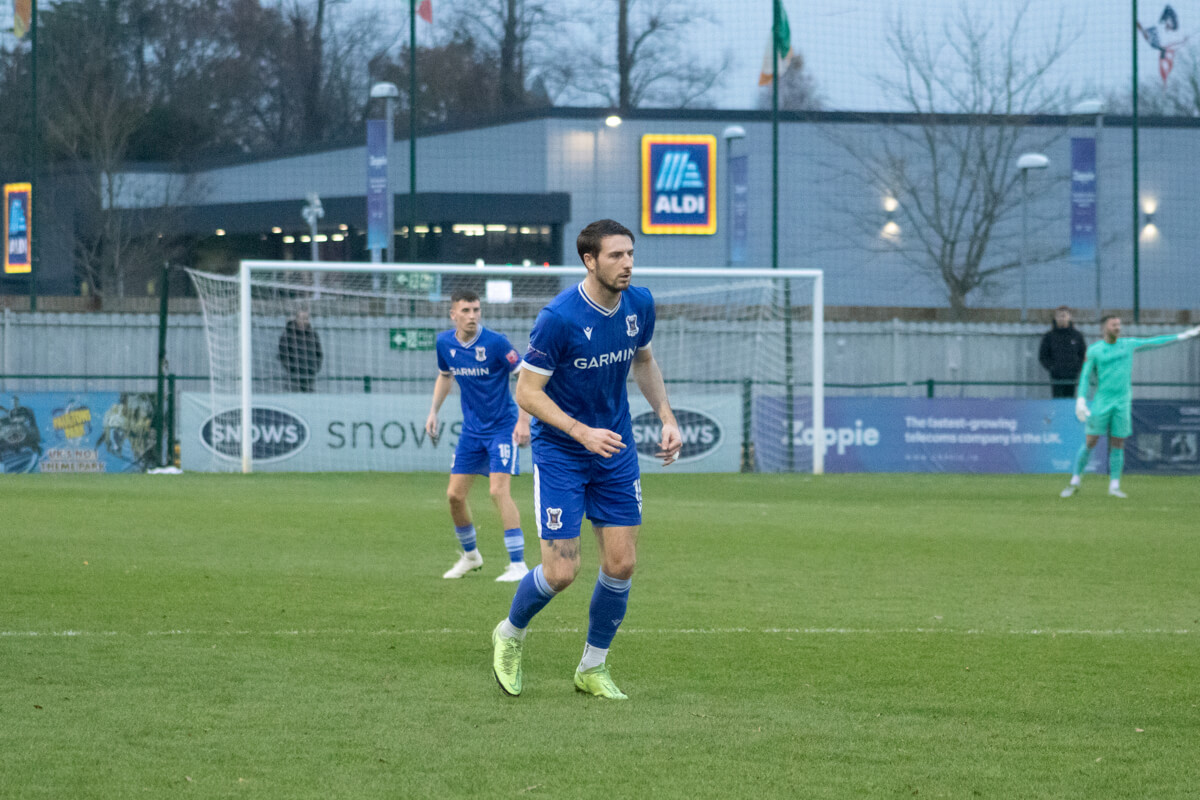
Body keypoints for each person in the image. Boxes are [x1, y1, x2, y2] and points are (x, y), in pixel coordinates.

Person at [490, 219, 682, 701]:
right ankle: (510, 634)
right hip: (561, 452)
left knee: (621, 564)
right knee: (561, 573)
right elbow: (527, 391)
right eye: (616, 256)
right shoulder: (559, 318)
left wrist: (666, 416)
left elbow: (643, 360)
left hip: (612, 450)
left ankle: (592, 667)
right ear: (589, 260)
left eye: (631, 254)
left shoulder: (640, 304)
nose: (628, 264)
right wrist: (579, 431)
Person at [426, 290, 532, 582]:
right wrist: (433, 411)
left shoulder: (496, 343)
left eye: (476, 310)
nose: (472, 315)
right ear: (453, 315)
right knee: (454, 496)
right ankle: (471, 556)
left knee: (498, 491)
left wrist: (524, 421)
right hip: (472, 431)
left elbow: (525, 377)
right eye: (466, 310)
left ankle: (518, 564)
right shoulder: (444, 343)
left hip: (503, 427)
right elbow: (445, 376)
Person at [1061, 315, 1200, 498]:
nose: (1118, 327)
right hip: (1102, 401)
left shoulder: (1128, 344)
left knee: (1118, 442)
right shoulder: (1095, 350)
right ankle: (1075, 482)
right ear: (1105, 328)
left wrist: (1182, 336)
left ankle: (1114, 486)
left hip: (1122, 402)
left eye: (1119, 324)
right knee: (1090, 441)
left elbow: (1154, 342)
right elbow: (1086, 376)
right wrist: (1080, 399)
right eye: (1114, 325)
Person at [1038, 306, 1087, 398]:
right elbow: (1043, 356)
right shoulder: (1049, 336)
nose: (1062, 318)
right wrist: (1052, 368)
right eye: (1059, 316)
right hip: (1056, 376)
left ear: (1069, 317)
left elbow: (1083, 354)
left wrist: (1077, 368)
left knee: (1070, 400)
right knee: (1057, 400)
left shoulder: (1077, 336)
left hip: (1072, 376)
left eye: (1064, 316)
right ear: (1055, 318)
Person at [278, 309, 323, 392]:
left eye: (306, 318)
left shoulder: (313, 335)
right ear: (296, 319)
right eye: (302, 318)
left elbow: (319, 353)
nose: (304, 321)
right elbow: (283, 354)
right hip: (293, 376)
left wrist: (315, 367)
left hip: (309, 374)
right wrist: (291, 369)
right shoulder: (288, 335)